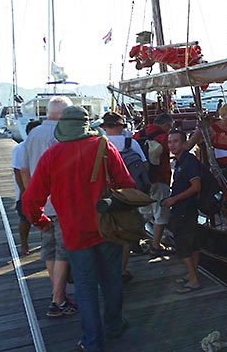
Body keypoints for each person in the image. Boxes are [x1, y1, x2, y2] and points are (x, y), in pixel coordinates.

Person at [22, 106, 135, 352]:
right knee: (111, 279)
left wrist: (42, 222)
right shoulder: (104, 148)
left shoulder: (52, 156)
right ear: (86, 125)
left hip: (74, 233)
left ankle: (92, 341)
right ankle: (114, 325)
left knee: (85, 287)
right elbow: (128, 185)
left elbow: (30, 201)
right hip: (108, 227)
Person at [20, 95, 78, 318]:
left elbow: (24, 170)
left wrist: (31, 197)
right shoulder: (63, 135)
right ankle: (58, 299)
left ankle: (58, 295)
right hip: (62, 204)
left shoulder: (33, 134)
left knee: (49, 250)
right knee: (63, 251)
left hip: (41, 204)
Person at [101, 111, 147, 282]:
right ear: (121, 126)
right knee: (126, 232)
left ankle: (107, 268)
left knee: (106, 229)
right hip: (127, 194)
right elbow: (144, 166)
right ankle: (122, 269)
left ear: (105, 127)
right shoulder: (132, 143)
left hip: (105, 194)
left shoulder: (100, 144)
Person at [163, 129, 202, 293]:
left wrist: (174, 199)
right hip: (184, 208)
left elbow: (196, 187)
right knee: (192, 244)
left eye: (176, 141)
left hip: (185, 209)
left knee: (184, 245)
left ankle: (193, 281)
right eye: (170, 142)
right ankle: (192, 273)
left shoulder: (189, 162)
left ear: (185, 143)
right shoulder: (180, 160)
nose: (172, 145)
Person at [133, 113, 173, 257]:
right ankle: (156, 245)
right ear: (166, 125)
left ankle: (133, 238)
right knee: (160, 213)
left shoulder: (137, 135)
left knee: (145, 213)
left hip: (142, 180)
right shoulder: (163, 137)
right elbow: (179, 148)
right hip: (160, 178)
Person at [12, 119, 42, 256]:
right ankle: (24, 245)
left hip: (44, 189)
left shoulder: (43, 146)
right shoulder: (21, 148)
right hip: (26, 190)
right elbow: (18, 171)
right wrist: (25, 192)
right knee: (25, 219)